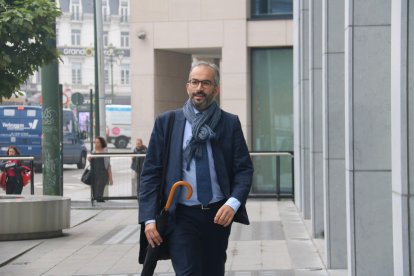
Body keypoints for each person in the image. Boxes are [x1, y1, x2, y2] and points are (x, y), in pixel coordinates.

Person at [139, 61, 254, 275]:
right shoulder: (168, 122)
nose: (199, 88)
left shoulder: (229, 123)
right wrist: (149, 219)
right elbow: (150, 173)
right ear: (187, 86)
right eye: (195, 82)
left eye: (206, 83)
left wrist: (233, 203)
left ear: (216, 89)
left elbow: (244, 169)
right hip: (181, 216)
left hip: (218, 215)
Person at [88, 136, 113, 202]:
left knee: (100, 191)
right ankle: (96, 200)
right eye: (95, 142)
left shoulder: (105, 151)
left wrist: (110, 178)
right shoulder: (93, 151)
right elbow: (90, 161)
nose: (96, 144)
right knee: (95, 191)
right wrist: (89, 158)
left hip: (102, 173)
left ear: (102, 143)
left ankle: (99, 200)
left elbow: (108, 165)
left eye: (98, 142)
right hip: (94, 173)